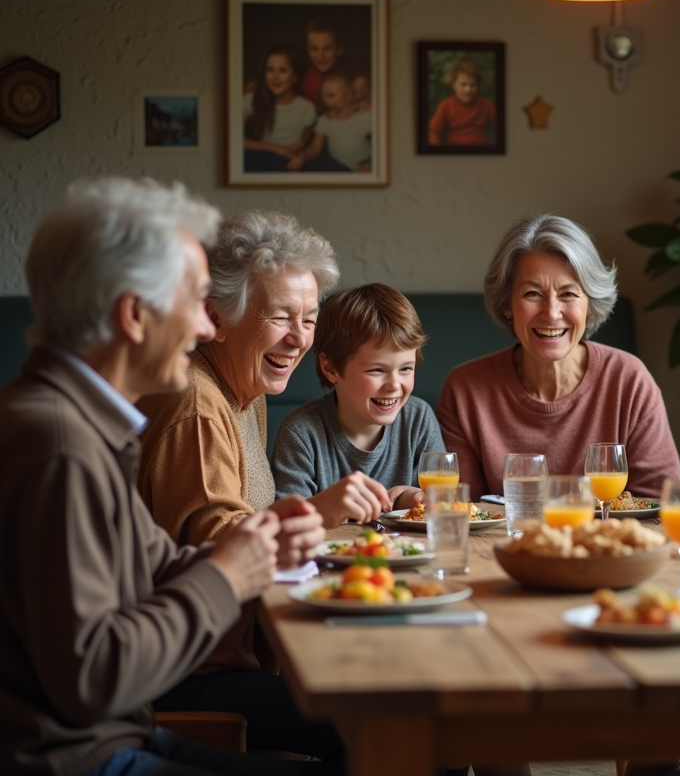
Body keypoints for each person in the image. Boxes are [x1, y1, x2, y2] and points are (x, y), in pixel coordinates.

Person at [0, 176, 329, 776]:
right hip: (75, 758)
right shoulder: (58, 447)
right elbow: (91, 677)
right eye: (195, 302)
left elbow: (153, 565)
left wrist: (250, 546)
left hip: (124, 733)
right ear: (134, 314)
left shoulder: (84, 424)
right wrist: (228, 577)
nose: (206, 328)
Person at [136, 210, 391, 762]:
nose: (299, 337)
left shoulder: (242, 392)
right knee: (400, 733)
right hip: (184, 674)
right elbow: (217, 544)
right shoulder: (196, 404)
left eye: (310, 317)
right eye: (280, 316)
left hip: (226, 656)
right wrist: (315, 512)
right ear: (216, 318)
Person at [436, 214, 680, 500]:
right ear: (506, 305)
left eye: (568, 294)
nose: (552, 313)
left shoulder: (628, 380)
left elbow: (662, 504)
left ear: (589, 305)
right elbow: (460, 512)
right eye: (532, 293)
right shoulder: (465, 389)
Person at [273, 283, 443, 511]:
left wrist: (410, 497)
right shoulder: (301, 434)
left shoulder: (419, 420)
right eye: (376, 370)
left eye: (405, 369)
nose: (394, 385)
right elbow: (290, 523)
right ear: (331, 368)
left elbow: (442, 504)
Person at [243, 43, 316, 172]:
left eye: (283, 70)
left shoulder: (307, 108)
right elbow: (235, 140)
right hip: (260, 157)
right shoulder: (251, 99)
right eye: (270, 70)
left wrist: (300, 147)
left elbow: (306, 138)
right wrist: (277, 149)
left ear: (295, 76)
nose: (275, 76)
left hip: (290, 160)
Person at [302, 71, 372, 172]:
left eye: (331, 96)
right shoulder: (324, 120)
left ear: (348, 96)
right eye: (324, 96)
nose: (326, 101)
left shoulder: (364, 117)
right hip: (337, 166)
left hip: (365, 164)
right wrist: (303, 155)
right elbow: (315, 147)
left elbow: (384, 142)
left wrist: (373, 165)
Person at [428, 58, 496, 147]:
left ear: (478, 85)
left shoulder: (486, 104)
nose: (468, 90)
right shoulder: (446, 104)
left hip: (480, 152)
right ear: (453, 84)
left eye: (473, 85)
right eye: (463, 85)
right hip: (454, 153)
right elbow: (434, 131)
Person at [299, 19, 344, 111]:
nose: (320, 56)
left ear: (339, 50)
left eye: (327, 48)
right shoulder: (299, 78)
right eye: (314, 49)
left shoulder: (347, 80)